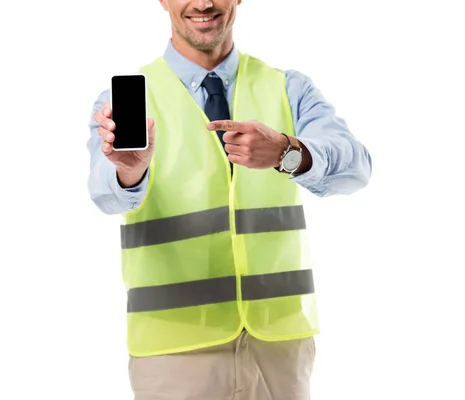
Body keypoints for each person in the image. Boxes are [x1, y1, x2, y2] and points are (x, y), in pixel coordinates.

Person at [87, 0, 372, 398]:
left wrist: (288, 153)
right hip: (174, 352)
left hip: (278, 347)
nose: (203, 3)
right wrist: (128, 171)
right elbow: (104, 194)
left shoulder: (288, 87)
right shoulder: (126, 103)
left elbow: (356, 169)